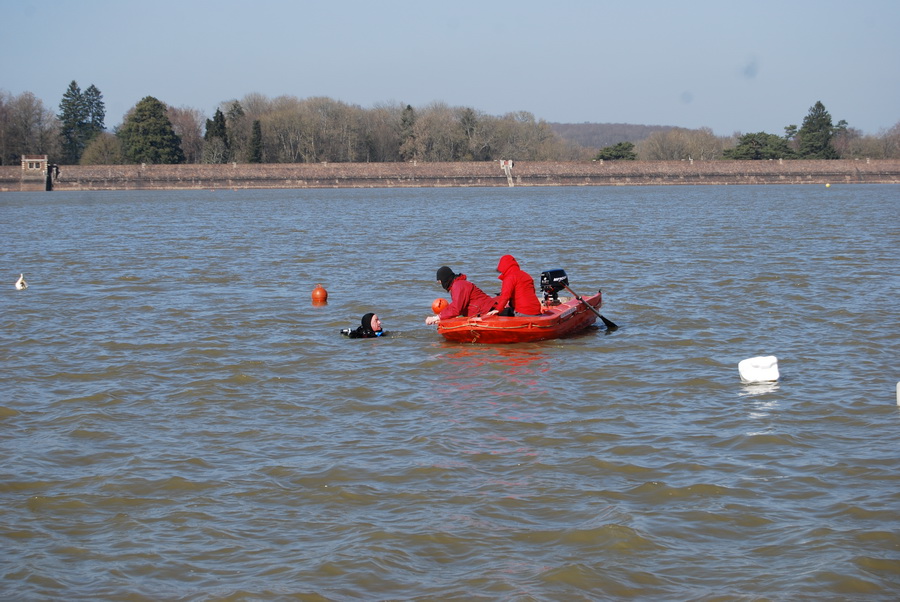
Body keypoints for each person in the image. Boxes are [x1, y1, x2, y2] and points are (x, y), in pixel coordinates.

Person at [425, 266, 494, 325]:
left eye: (440, 282)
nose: (441, 284)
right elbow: (458, 306)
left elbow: (456, 308)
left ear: (444, 279)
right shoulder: (458, 285)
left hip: (487, 311)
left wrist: (437, 317)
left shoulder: (458, 286)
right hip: (482, 311)